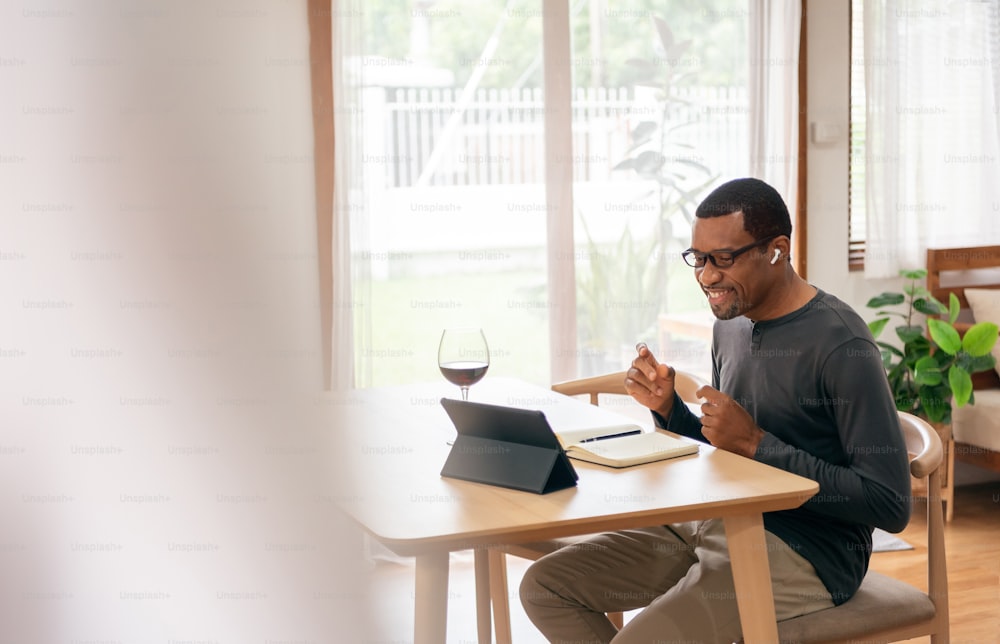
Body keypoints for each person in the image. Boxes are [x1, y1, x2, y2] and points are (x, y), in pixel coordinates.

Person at [519, 177, 912, 643]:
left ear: (777, 249)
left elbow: (889, 503)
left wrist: (757, 444)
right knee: (545, 588)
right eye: (698, 259)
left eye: (723, 259)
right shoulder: (730, 326)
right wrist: (669, 412)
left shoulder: (841, 343)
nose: (706, 276)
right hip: (716, 519)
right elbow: (724, 454)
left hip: (808, 549)